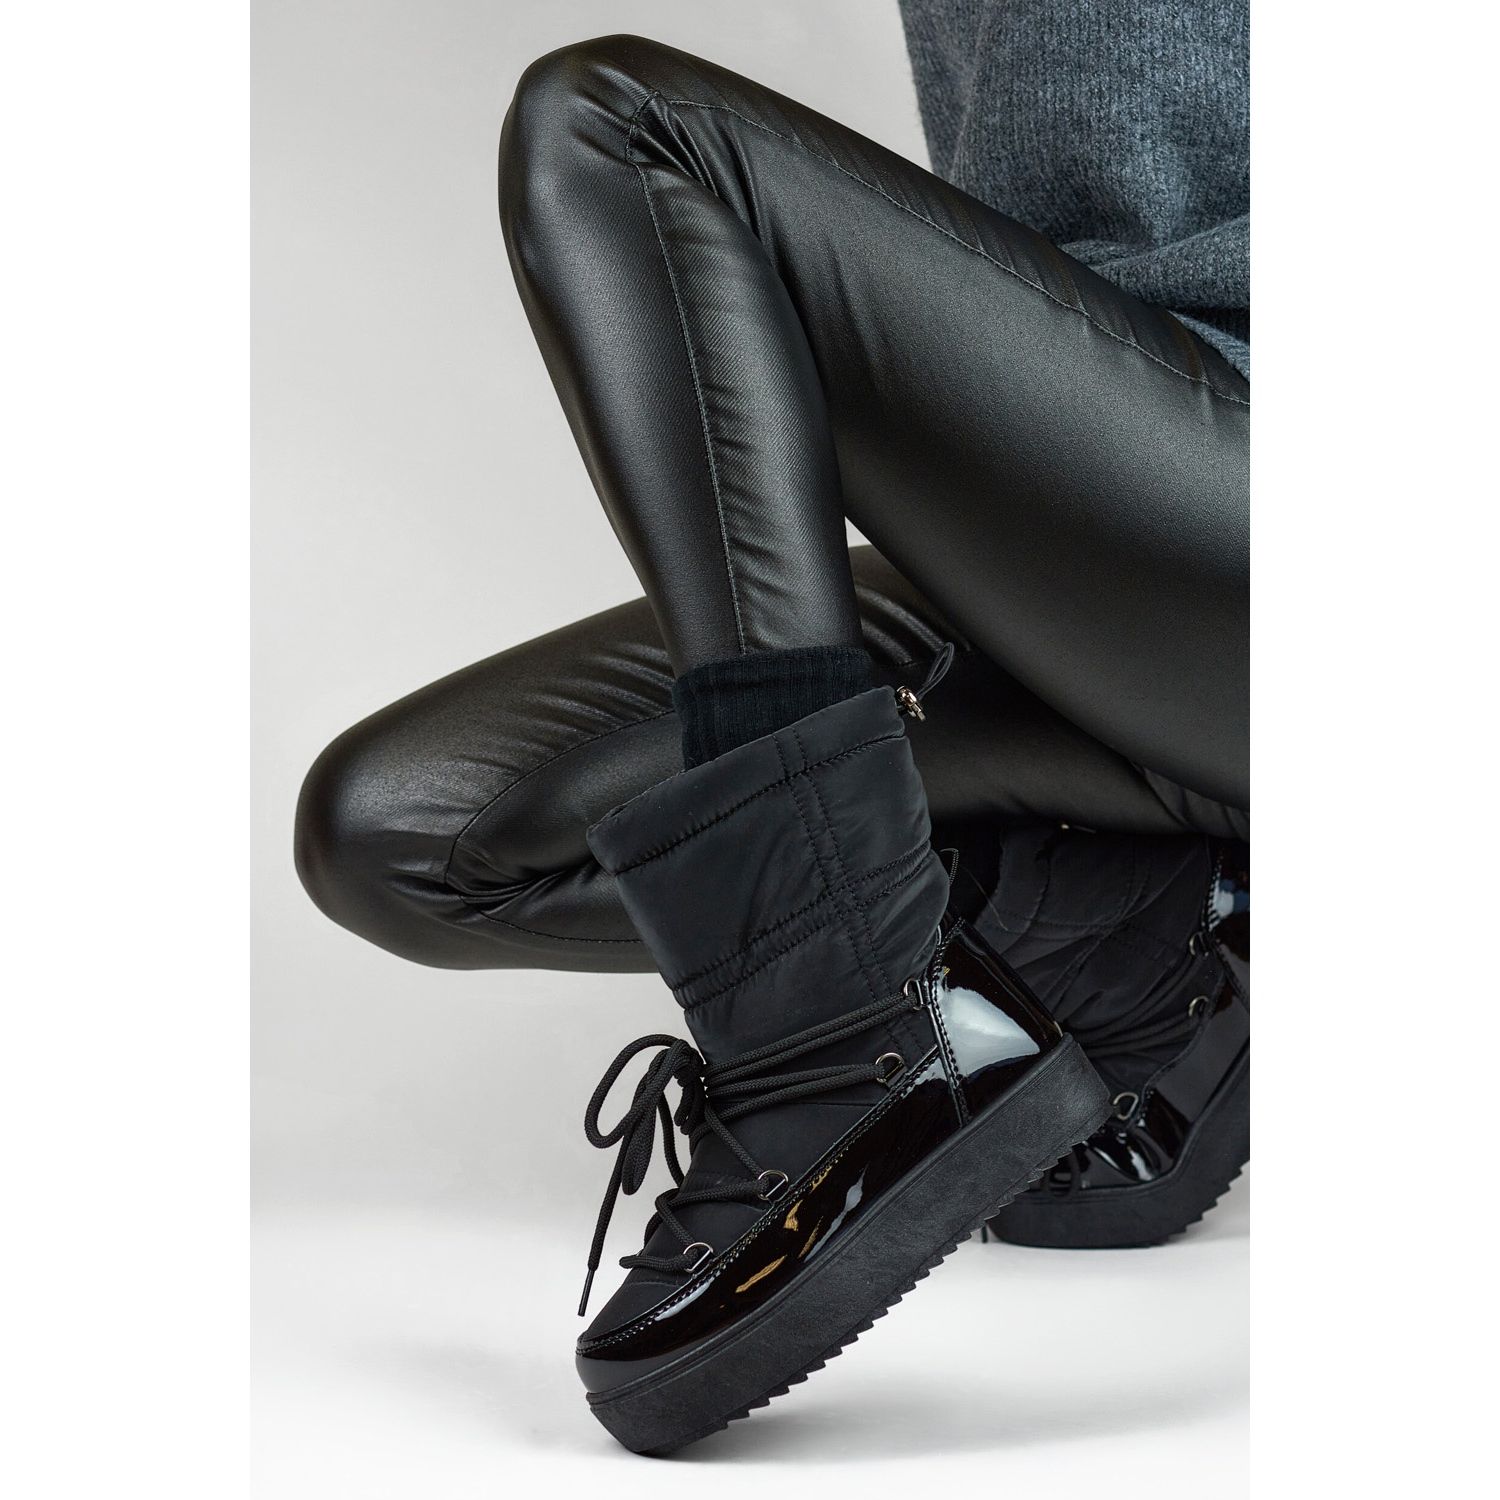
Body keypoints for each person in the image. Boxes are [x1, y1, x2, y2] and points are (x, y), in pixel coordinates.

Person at [295, 10, 1248, 1454]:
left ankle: (840, 1041)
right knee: (407, 834)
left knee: (616, 128)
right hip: (1070, 546)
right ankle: (1127, 918)